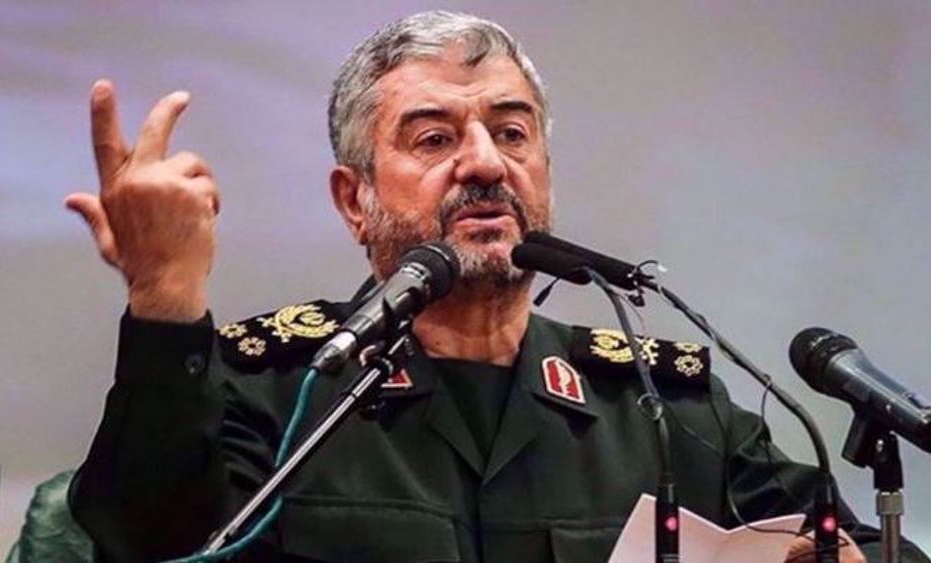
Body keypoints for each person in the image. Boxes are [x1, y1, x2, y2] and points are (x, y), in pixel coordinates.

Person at [66, 11, 926, 563]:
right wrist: (165, 298)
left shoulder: (665, 405)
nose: (484, 161)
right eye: (434, 138)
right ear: (353, 199)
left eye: (511, 132)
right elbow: (145, 541)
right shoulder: (280, 386)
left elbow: (856, 544)